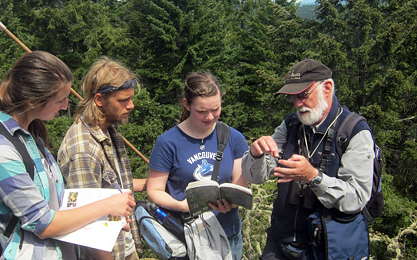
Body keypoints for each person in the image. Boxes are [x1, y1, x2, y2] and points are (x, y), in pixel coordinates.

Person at [0, 51, 136, 260]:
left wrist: (105, 221)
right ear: (34, 101)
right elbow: (42, 223)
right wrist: (107, 206)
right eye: (60, 99)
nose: (65, 106)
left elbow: (60, 203)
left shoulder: (31, 137)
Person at [241, 59, 375, 259]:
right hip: (279, 242)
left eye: (303, 95)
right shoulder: (291, 125)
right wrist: (255, 154)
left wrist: (314, 177)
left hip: (324, 248)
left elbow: (356, 198)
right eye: (292, 98)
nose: (297, 104)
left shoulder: (353, 131)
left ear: (327, 88)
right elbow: (255, 177)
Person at [147, 71, 249, 260]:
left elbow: (239, 184)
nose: (210, 117)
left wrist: (232, 201)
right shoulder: (168, 142)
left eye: (216, 109)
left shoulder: (233, 138)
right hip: (189, 235)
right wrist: (182, 206)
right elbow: (154, 190)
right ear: (187, 105)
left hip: (228, 233)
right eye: (201, 111)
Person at [58, 56, 142, 260]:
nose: (130, 105)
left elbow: (113, 185)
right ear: (99, 100)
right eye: (123, 100)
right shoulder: (83, 150)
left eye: (131, 98)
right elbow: (88, 228)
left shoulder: (108, 130)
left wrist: (152, 184)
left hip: (124, 246)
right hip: (109, 254)